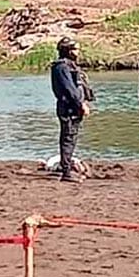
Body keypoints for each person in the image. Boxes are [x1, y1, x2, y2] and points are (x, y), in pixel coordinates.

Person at [50, 36, 94, 183]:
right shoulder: (62, 67)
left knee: (71, 137)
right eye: (75, 49)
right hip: (68, 107)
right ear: (67, 50)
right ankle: (66, 172)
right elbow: (70, 89)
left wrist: (85, 101)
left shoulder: (70, 66)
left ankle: (67, 168)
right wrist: (81, 104)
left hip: (73, 107)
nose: (77, 52)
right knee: (68, 138)